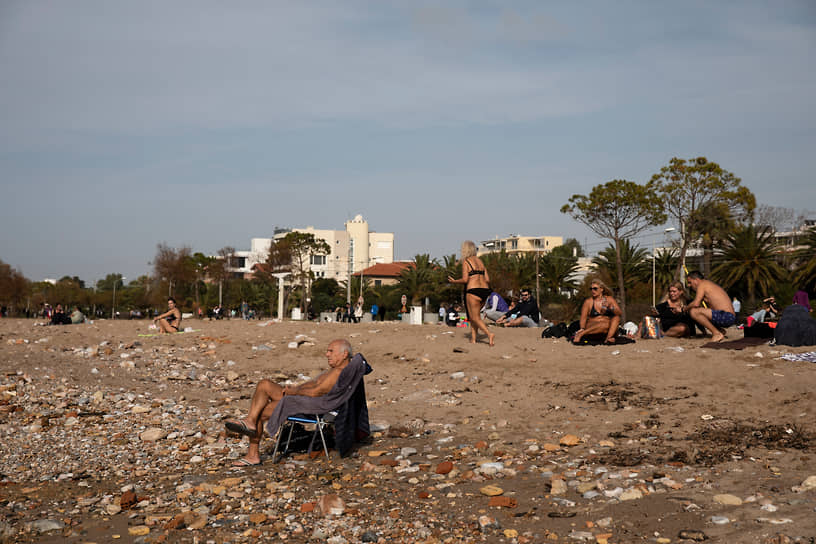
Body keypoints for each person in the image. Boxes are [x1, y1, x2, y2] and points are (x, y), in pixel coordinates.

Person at [224, 339, 356, 466]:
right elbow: (314, 384)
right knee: (264, 384)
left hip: (312, 406)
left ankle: (252, 454)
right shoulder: (333, 371)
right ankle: (250, 421)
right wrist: (295, 389)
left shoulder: (339, 373)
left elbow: (316, 392)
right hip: (304, 400)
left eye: (331, 351)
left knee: (261, 412)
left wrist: (295, 392)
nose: (327, 354)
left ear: (344, 354)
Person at [448, 240, 495, 345]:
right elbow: (487, 279)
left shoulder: (466, 261)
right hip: (484, 291)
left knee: (474, 317)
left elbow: (465, 280)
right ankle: (473, 339)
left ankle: (489, 334)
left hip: (473, 291)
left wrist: (454, 281)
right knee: (475, 316)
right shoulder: (480, 261)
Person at [686, 270, 735, 343]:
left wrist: (684, 308)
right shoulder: (708, 284)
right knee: (699, 312)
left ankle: (716, 333)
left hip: (726, 316)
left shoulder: (702, 284)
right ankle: (719, 330)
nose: (688, 285)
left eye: (690, 282)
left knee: (693, 312)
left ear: (696, 280)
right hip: (728, 317)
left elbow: (696, 303)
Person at [572, 279, 622, 343]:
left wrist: (610, 307)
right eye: (591, 289)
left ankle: (608, 338)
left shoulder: (609, 299)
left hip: (607, 328)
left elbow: (619, 313)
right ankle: (581, 334)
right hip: (593, 327)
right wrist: (582, 328)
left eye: (595, 289)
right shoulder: (588, 302)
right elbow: (583, 317)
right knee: (603, 325)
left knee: (616, 318)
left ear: (601, 289)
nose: (593, 291)